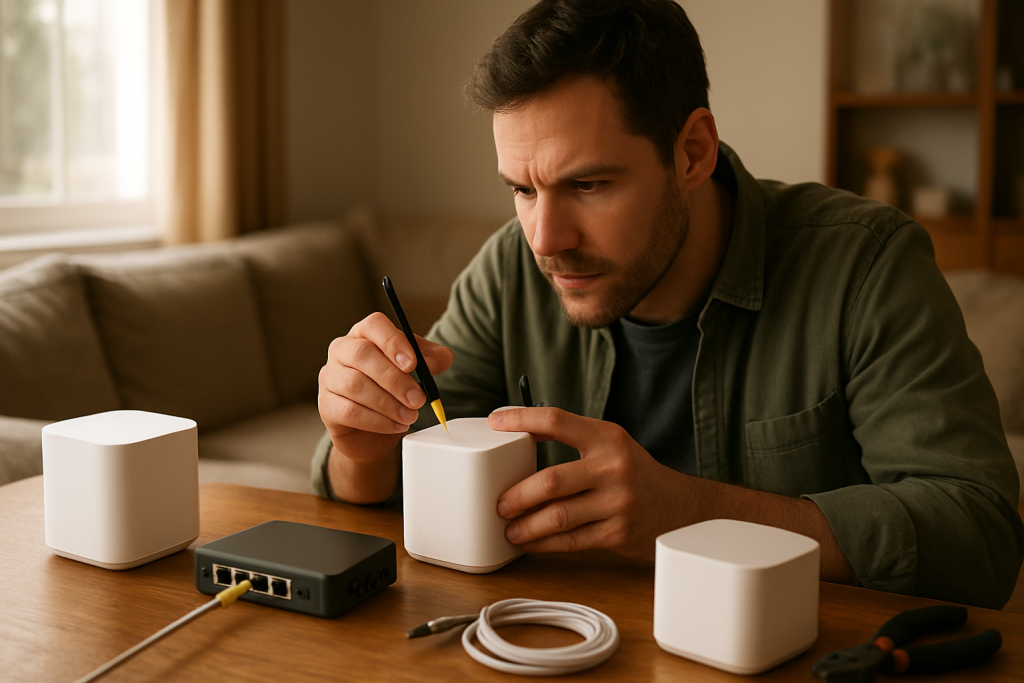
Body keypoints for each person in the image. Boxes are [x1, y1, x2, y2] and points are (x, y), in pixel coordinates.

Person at [313, 0, 1023, 608]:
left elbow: (981, 535)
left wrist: (691, 512)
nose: (545, 239)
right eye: (522, 190)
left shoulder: (866, 265)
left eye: (588, 184)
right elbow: (397, 475)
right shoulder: (510, 268)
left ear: (692, 152)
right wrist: (360, 448)